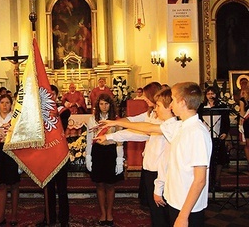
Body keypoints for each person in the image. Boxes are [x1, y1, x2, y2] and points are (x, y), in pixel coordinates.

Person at [98, 82, 212, 226]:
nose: (171, 105)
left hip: (187, 206)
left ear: (183, 102)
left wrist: (183, 216)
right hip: (175, 199)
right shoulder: (179, 126)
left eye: (174, 101)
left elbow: (200, 179)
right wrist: (113, 123)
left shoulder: (197, 132)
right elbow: (148, 127)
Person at [95, 88, 176, 227]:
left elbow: (144, 129)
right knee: (156, 214)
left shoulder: (171, 125)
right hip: (152, 168)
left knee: (163, 215)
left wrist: (115, 124)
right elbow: (137, 130)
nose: (155, 109)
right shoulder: (159, 120)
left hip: (160, 171)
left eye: (158, 105)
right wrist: (110, 135)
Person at [86, 93, 124, 227]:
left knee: (110, 185)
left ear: (111, 105)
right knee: (100, 184)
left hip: (111, 152)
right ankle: (103, 213)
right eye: (101, 104)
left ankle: (109, 212)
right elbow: (89, 139)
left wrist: (120, 159)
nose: (104, 106)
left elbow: (120, 140)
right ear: (97, 105)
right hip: (98, 152)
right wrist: (88, 157)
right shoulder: (92, 119)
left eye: (106, 104)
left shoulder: (116, 120)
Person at [36, 85, 71, 227]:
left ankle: (64, 220)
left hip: (60, 155)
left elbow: (58, 127)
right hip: (46, 156)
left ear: (56, 96)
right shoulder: (38, 114)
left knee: (62, 190)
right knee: (48, 189)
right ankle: (49, 218)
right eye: (47, 94)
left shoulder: (63, 112)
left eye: (52, 94)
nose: (50, 96)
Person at [0, 94, 20, 227]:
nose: (5, 105)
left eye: (7, 102)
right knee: (1, 184)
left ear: (11, 104)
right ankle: (1, 215)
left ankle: (14, 214)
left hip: (12, 151)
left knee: (14, 184)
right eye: (2, 102)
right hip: (0, 151)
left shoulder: (15, 118)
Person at [198, 86, 230, 191]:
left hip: (218, 135)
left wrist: (225, 132)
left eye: (212, 93)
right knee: (208, 159)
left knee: (219, 158)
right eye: (208, 93)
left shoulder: (221, 106)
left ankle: (216, 180)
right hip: (206, 136)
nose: (210, 96)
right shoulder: (202, 107)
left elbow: (226, 121)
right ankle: (208, 181)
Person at [239, 87, 249, 170]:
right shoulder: (243, 99)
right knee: (248, 144)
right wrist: (240, 125)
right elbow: (242, 112)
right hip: (248, 122)